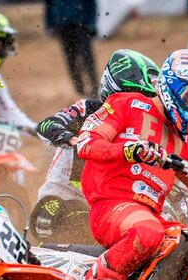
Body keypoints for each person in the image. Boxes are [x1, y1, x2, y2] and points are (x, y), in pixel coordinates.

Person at [76, 49, 188, 280]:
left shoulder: (185, 142)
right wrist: (130, 150)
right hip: (111, 206)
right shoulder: (127, 104)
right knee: (149, 233)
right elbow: (86, 144)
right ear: (171, 84)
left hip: (150, 216)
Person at [31, 49, 159, 244]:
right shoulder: (87, 110)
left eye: (145, 98)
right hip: (58, 204)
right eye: (135, 97)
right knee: (85, 224)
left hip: (111, 208)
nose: (138, 104)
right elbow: (46, 125)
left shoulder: (147, 127)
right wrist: (72, 139)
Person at [44, 0, 98, 98]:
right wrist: (49, 25)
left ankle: (94, 88)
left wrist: (91, 24)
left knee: (86, 58)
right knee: (70, 59)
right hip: (63, 26)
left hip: (81, 25)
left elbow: (91, 4)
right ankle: (79, 90)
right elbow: (48, 6)